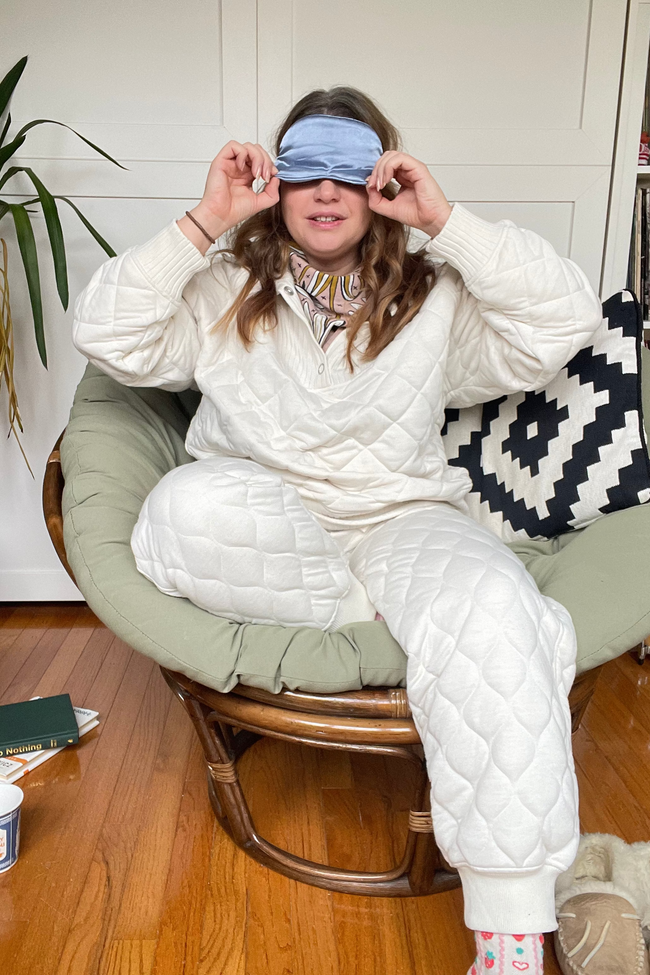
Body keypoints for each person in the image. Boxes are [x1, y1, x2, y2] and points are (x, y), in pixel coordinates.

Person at [72, 86, 603, 974]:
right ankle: (391, 611)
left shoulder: (437, 295)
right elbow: (105, 334)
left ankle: (510, 939)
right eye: (305, 172)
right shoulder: (222, 287)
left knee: (492, 605)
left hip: (402, 518)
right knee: (177, 513)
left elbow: (563, 319)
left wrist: (449, 221)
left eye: (349, 175)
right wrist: (207, 220)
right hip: (269, 526)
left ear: (382, 186)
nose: (326, 192)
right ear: (276, 185)